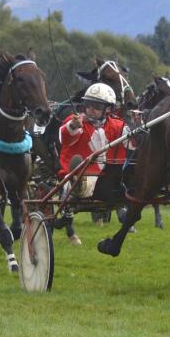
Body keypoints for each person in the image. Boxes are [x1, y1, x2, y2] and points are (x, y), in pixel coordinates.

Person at [57, 83, 134, 243]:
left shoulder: (118, 125)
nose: (90, 109)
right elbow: (65, 136)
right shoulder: (76, 121)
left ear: (108, 109)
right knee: (85, 182)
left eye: (97, 105)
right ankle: (74, 187)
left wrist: (137, 127)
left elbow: (133, 144)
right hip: (83, 178)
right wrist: (72, 126)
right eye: (88, 104)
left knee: (125, 178)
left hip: (110, 181)